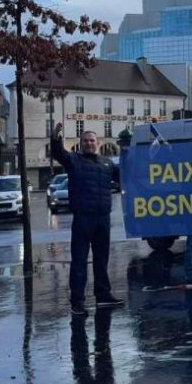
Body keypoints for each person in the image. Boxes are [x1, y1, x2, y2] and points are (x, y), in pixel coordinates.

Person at [51, 123, 123, 316]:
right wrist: (56, 139)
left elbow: (126, 176)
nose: (89, 143)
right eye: (85, 141)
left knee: (102, 260)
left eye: (92, 140)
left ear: (98, 143)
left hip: (103, 218)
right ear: (80, 144)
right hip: (83, 219)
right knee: (79, 262)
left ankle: (103, 295)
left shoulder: (107, 163)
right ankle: (77, 302)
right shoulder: (74, 160)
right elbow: (59, 154)